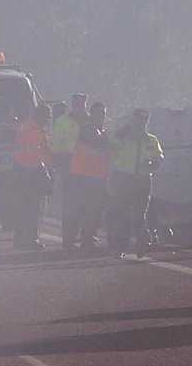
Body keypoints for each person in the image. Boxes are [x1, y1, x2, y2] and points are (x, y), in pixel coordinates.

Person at [107, 109, 165, 257]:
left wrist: (153, 163)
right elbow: (110, 145)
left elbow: (159, 157)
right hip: (124, 178)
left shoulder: (151, 139)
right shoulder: (123, 137)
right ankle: (121, 247)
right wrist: (121, 133)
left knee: (140, 214)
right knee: (123, 214)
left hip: (143, 179)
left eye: (143, 121)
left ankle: (142, 243)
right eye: (137, 120)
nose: (140, 123)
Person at [62, 101, 111, 252]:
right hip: (81, 178)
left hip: (96, 178)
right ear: (91, 115)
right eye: (97, 114)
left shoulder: (101, 132)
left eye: (102, 114)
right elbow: (99, 145)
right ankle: (71, 241)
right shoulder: (87, 131)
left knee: (94, 211)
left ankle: (87, 239)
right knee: (79, 210)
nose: (100, 117)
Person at [12, 104, 53, 249]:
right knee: (33, 208)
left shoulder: (28, 127)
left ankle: (20, 240)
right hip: (31, 173)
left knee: (25, 208)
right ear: (39, 115)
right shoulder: (33, 131)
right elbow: (36, 156)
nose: (47, 121)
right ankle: (30, 239)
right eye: (46, 117)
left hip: (24, 172)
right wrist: (45, 171)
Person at [50, 93, 88, 180]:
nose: (79, 107)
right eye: (77, 104)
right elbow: (56, 143)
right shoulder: (62, 121)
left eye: (82, 104)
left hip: (86, 163)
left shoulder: (90, 121)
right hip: (67, 161)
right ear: (72, 105)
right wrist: (57, 162)